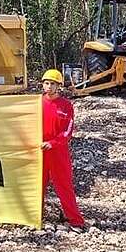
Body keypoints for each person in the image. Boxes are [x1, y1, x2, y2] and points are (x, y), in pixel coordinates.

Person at [40, 69, 85, 230]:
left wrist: (53, 143)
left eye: (53, 84)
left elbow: (67, 131)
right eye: (47, 83)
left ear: (58, 86)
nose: (49, 87)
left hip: (58, 152)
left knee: (64, 185)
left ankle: (75, 220)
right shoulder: (36, 103)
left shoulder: (66, 105)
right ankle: (35, 215)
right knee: (37, 185)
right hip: (39, 151)